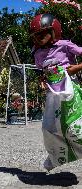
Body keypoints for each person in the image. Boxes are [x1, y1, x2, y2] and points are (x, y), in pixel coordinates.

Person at [30, 13, 82, 171]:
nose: (38, 38)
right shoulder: (36, 52)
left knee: (73, 127)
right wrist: (41, 80)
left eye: (42, 33)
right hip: (53, 94)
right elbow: (41, 71)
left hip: (70, 90)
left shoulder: (65, 45)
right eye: (35, 35)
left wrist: (77, 68)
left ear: (54, 31)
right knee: (49, 128)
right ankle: (56, 157)